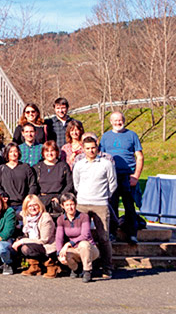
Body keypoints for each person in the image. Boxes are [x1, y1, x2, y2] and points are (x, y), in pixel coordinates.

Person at [72, 134, 116, 278]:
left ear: (97, 148)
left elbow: (112, 183)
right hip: (82, 204)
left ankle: (107, 267)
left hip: (100, 204)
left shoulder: (106, 164)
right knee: (80, 236)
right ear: (83, 149)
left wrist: (103, 196)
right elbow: (76, 183)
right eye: (88, 148)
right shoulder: (79, 165)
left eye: (93, 148)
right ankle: (81, 267)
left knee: (104, 237)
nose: (91, 151)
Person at [99, 110, 143, 240]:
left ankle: (131, 234)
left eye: (120, 120)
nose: (118, 123)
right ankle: (112, 232)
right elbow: (101, 156)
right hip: (111, 175)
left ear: (124, 121)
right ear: (111, 122)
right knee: (112, 205)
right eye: (115, 120)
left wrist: (136, 176)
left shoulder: (132, 135)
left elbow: (140, 157)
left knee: (129, 205)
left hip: (128, 175)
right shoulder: (105, 136)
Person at [55, 192, 99, 283]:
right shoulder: (61, 219)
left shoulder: (84, 217)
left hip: (89, 249)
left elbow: (85, 235)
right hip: (74, 249)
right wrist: (59, 253)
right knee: (64, 253)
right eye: (67, 205)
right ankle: (76, 269)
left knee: (83, 244)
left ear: (75, 204)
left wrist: (68, 243)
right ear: (62, 206)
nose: (70, 207)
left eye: (72, 204)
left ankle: (87, 271)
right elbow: (59, 238)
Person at [12, 194, 57, 278]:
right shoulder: (26, 216)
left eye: (35, 205)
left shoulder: (45, 218)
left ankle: (51, 265)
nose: (32, 208)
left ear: (39, 205)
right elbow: (13, 214)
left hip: (47, 246)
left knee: (25, 247)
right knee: (17, 244)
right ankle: (34, 266)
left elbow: (43, 240)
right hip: (35, 243)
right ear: (26, 207)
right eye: (29, 206)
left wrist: (22, 241)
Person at [0, 143, 38, 213]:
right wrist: (2, 195)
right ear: (7, 153)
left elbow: (33, 185)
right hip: (6, 205)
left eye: (15, 151)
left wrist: (28, 200)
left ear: (19, 153)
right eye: (11, 152)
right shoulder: (2, 168)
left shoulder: (26, 167)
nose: (13, 154)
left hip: (23, 205)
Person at [35, 140, 73, 215]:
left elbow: (69, 185)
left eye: (52, 151)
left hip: (59, 201)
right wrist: (39, 199)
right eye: (47, 151)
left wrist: (60, 197)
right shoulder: (38, 167)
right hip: (42, 201)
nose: (50, 153)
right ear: (43, 153)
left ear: (56, 152)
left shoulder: (63, 166)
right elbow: (34, 186)